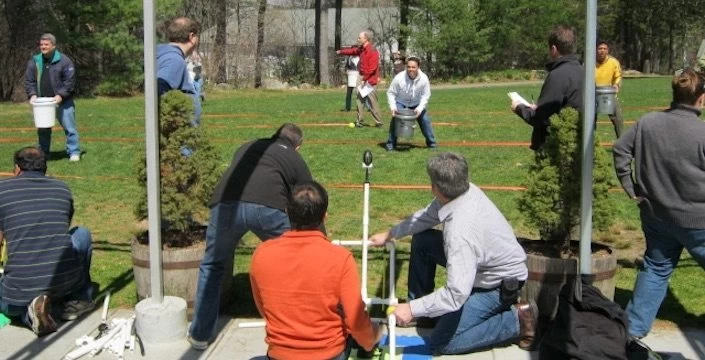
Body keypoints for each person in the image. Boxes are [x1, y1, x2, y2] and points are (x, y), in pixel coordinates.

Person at [369, 152, 536, 355]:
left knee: (443, 342)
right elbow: (427, 217)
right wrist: (390, 234)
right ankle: (426, 315)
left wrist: (411, 308)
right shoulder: (463, 190)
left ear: (436, 188)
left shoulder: (460, 233)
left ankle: (517, 320)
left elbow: (456, 294)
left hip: (497, 286)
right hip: (481, 264)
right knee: (423, 241)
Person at [188, 123, 314, 350]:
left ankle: (200, 334)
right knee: (296, 262)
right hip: (268, 209)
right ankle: (299, 327)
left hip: (225, 205)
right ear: (298, 146)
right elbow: (309, 196)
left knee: (213, 266)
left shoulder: (247, 146)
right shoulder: (293, 158)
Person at [612, 68, 705, 339]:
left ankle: (632, 331)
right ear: (701, 98)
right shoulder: (701, 133)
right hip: (698, 221)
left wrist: (630, 187)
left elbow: (620, 149)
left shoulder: (647, 123)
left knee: (655, 269)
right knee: (655, 269)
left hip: (657, 216)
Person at [250, 181, 382, 360]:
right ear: (324, 216)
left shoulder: (261, 254)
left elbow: (263, 309)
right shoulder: (340, 258)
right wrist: (372, 338)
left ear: (288, 212)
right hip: (329, 354)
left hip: (279, 354)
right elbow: (356, 320)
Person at [0, 147, 94, 336]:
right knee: (81, 234)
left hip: (18, 291)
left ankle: (30, 313)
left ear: (17, 169)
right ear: (44, 168)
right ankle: (78, 300)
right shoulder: (62, 189)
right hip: (64, 283)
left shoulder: (2, 191)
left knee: (9, 301)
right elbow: (63, 228)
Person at [511, 25, 584, 150]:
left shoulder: (558, 75)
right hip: (577, 140)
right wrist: (539, 107)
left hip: (557, 146)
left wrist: (519, 108)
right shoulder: (583, 71)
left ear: (554, 49)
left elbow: (541, 118)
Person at [24, 33, 82, 162]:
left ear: (54, 46)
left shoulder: (64, 61)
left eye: (46, 44)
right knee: (43, 130)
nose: (43, 47)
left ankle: (74, 152)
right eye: (41, 44)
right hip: (43, 102)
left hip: (63, 101)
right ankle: (44, 154)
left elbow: (70, 81)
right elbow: (29, 80)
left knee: (69, 128)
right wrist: (32, 94)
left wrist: (61, 95)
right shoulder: (35, 61)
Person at [385, 56, 437, 151]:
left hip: (416, 104)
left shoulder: (424, 79)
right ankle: (390, 144)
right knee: (395, 120)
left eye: (413, 67)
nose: (410, 69)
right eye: (408, 67)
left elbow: (426, 95)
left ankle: (432, 143)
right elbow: (391, 93)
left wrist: (420, 108)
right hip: (401, 102)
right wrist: (393, 107)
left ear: (418, 67)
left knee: (425, 120)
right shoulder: (399, 78)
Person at [157, 17, 202, 126]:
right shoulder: (174, 60)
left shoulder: (165, 55)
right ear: (192, 37)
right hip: (178, 137)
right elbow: (160, 87)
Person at [336, 30, 384, 128]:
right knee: (359, 100)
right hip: (361, 76)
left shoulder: (372, 51)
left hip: (370, 79)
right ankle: (359, 121)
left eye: (359, 38)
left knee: (372, 101)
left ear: (366, 39)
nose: (358, 39)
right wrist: (341, 51)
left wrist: (364, 79)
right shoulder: (362, 49)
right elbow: (353, 51)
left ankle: (379, 121)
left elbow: (372, 68)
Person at [596, 40, 624, 138]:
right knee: (588, 121)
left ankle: (622, 143)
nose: (602, 51)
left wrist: (616, 85)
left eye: (604, 49)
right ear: (595, 50)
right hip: (593, 96)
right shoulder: (589, 62)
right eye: (600, 48)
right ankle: (591, 143)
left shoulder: (614, 62)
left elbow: (619, 76)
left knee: (619, 119)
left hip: (609, 95)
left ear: (608, 50)